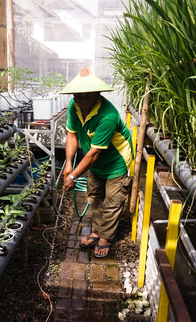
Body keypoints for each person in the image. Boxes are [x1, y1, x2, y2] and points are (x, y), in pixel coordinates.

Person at [61, 68, 133, 258]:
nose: (77, 99)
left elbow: (93, 154)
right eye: (75, 95)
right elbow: (72, 134)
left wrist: (74, 176)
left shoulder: (107, 116)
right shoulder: (73, 106)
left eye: (82, 96)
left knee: (113, 200)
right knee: (95, 196)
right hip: (94, 163)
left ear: (96, 96)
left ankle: (105, 238)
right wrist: (68, 164)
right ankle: (96, 230)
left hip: (116, 162)